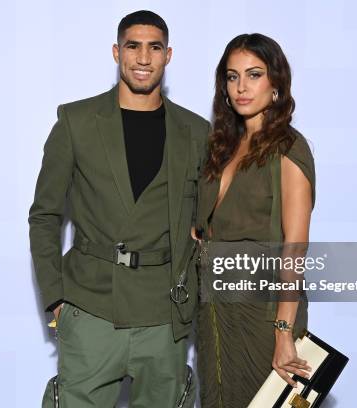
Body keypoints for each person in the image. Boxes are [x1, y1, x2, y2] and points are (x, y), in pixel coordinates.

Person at [28, 10, 209, 408]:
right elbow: (44, 215)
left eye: (154, 47)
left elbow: (207, 222)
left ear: (168, 55)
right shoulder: (76, 121)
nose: (143, 58)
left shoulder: (196, 132)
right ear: (116, 52)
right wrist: (55, 297)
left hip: (165, 314)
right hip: (90, 308)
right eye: (133, 46)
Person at [193, 33, 316, 408]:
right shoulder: (221, 146)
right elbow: (211, 219)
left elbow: (295, 247)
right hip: (215, 312)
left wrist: (283, 333)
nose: (241, 87)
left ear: (275, 83)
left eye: (254, 74)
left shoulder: (289, 148)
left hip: (263, 315)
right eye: (232, 77)